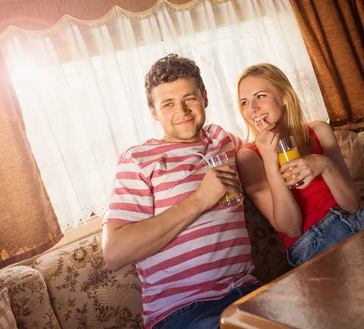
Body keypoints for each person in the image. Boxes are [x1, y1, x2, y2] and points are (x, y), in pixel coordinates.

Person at [101, 54, 260, 329]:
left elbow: (263, 142)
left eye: (189, 98)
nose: (182, 111)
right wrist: (200, 199)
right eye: (168, 104)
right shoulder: (138, 160)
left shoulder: (221, 139)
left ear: (205, 98)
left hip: (249, 292)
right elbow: (114, 253)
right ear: (154, 112)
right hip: (182, 312)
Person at [236, 63, 364, 267]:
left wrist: (324, 164)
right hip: (312, 241)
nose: (252, 109)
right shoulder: (249, 157)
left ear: (284, 97)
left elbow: (351, 205)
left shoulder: (319, 131)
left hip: (359, 217)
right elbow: (291, 229)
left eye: (260, 96)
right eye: (244, 102)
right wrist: (271, 163)